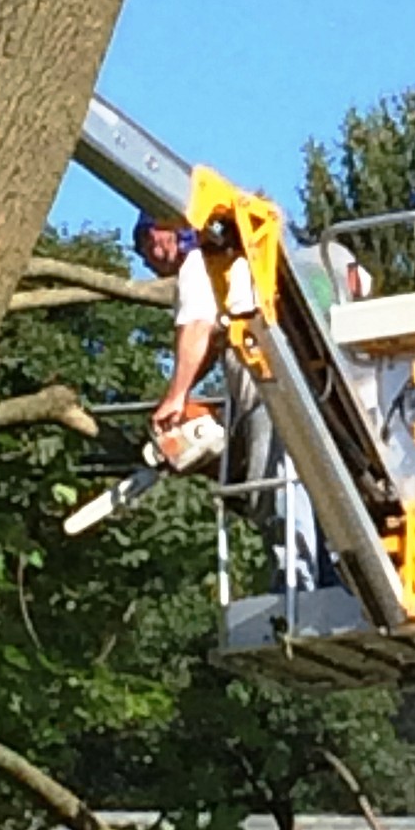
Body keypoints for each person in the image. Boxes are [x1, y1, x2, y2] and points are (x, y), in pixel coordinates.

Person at [132, 211, 330, 591]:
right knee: (312, 480)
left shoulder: (201, 264)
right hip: (304, 368)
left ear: (159, 234)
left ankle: (298, 582)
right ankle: (328, 578)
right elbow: (206, 344)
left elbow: (196, 328)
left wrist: (175, 398)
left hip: (265, 373)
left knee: (272, 483)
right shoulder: (246, 263)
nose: (146, 260)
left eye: (144, 247)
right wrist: (183, 390)